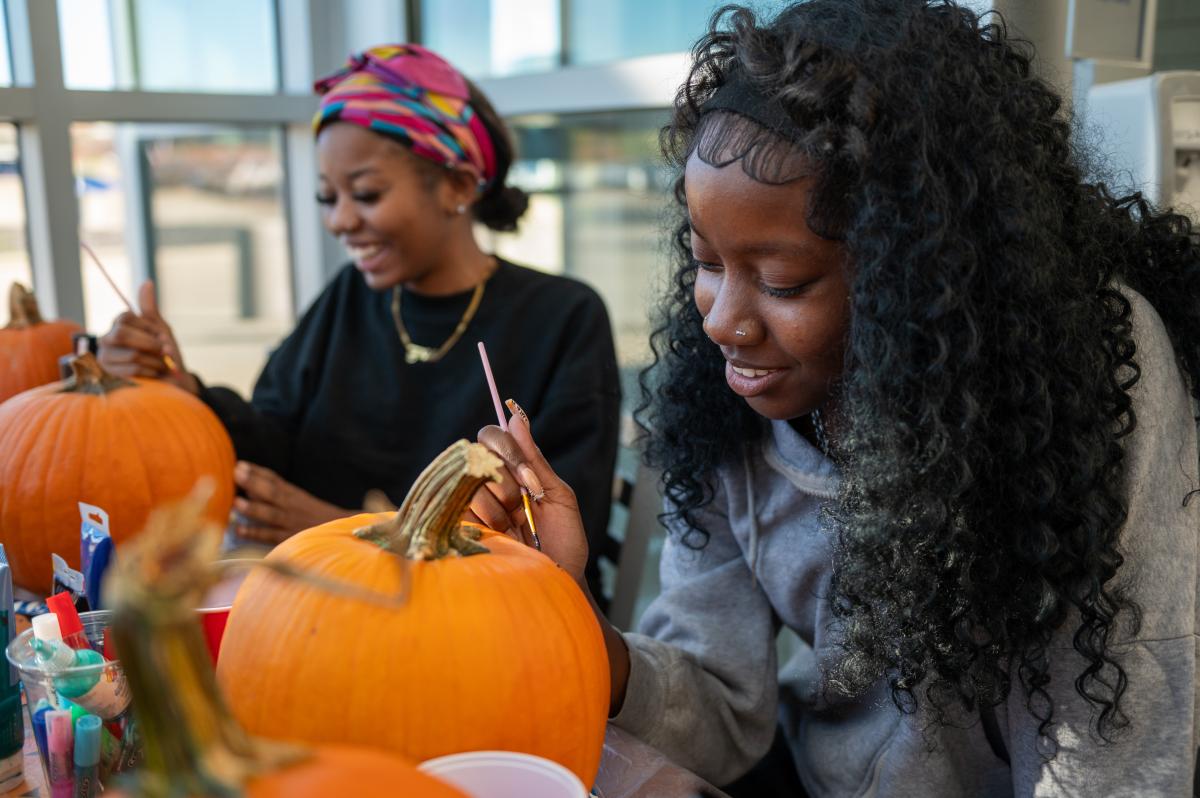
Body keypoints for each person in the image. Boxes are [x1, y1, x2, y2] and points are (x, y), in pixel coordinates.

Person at [469, 2, 1200, 795]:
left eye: (783, 282)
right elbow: (719, 712)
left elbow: (1114, 748)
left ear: (918, 274)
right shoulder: (721, 412)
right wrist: (563, 605)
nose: (719, 321)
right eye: (706, 261)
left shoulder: (1083, 373)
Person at [98, 44, 621, 601]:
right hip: (325, 602)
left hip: (482, 627)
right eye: (328, 197)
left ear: (459, 187)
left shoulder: (562, 317)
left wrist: (351, 529)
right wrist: (183, 391)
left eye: (366, 194)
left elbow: (556, 534)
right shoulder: (351, 297)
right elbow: (272, 442)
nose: (341, 221)